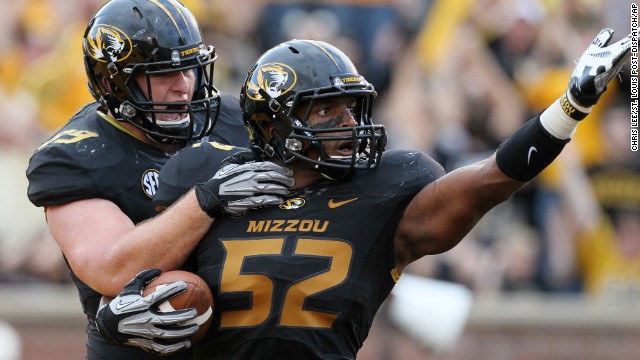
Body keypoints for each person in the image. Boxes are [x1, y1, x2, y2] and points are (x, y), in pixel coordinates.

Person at [98, 28, 631, 358]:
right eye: (327, 110)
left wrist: (568, 109)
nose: (349, 124)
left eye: (352, 108)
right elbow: (129, 274)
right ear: (275, 122)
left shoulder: (384, 190)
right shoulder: (209, 182)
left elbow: (489, 180)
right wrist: (111, 318)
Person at [25, 0, 293, 358]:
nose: (183, 86)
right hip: (146, 346)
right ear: (111, 80)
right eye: (162, 74)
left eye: (190, 68)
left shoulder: (229, 117)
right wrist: (207, 201)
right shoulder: (74, 155)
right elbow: (112, 267)